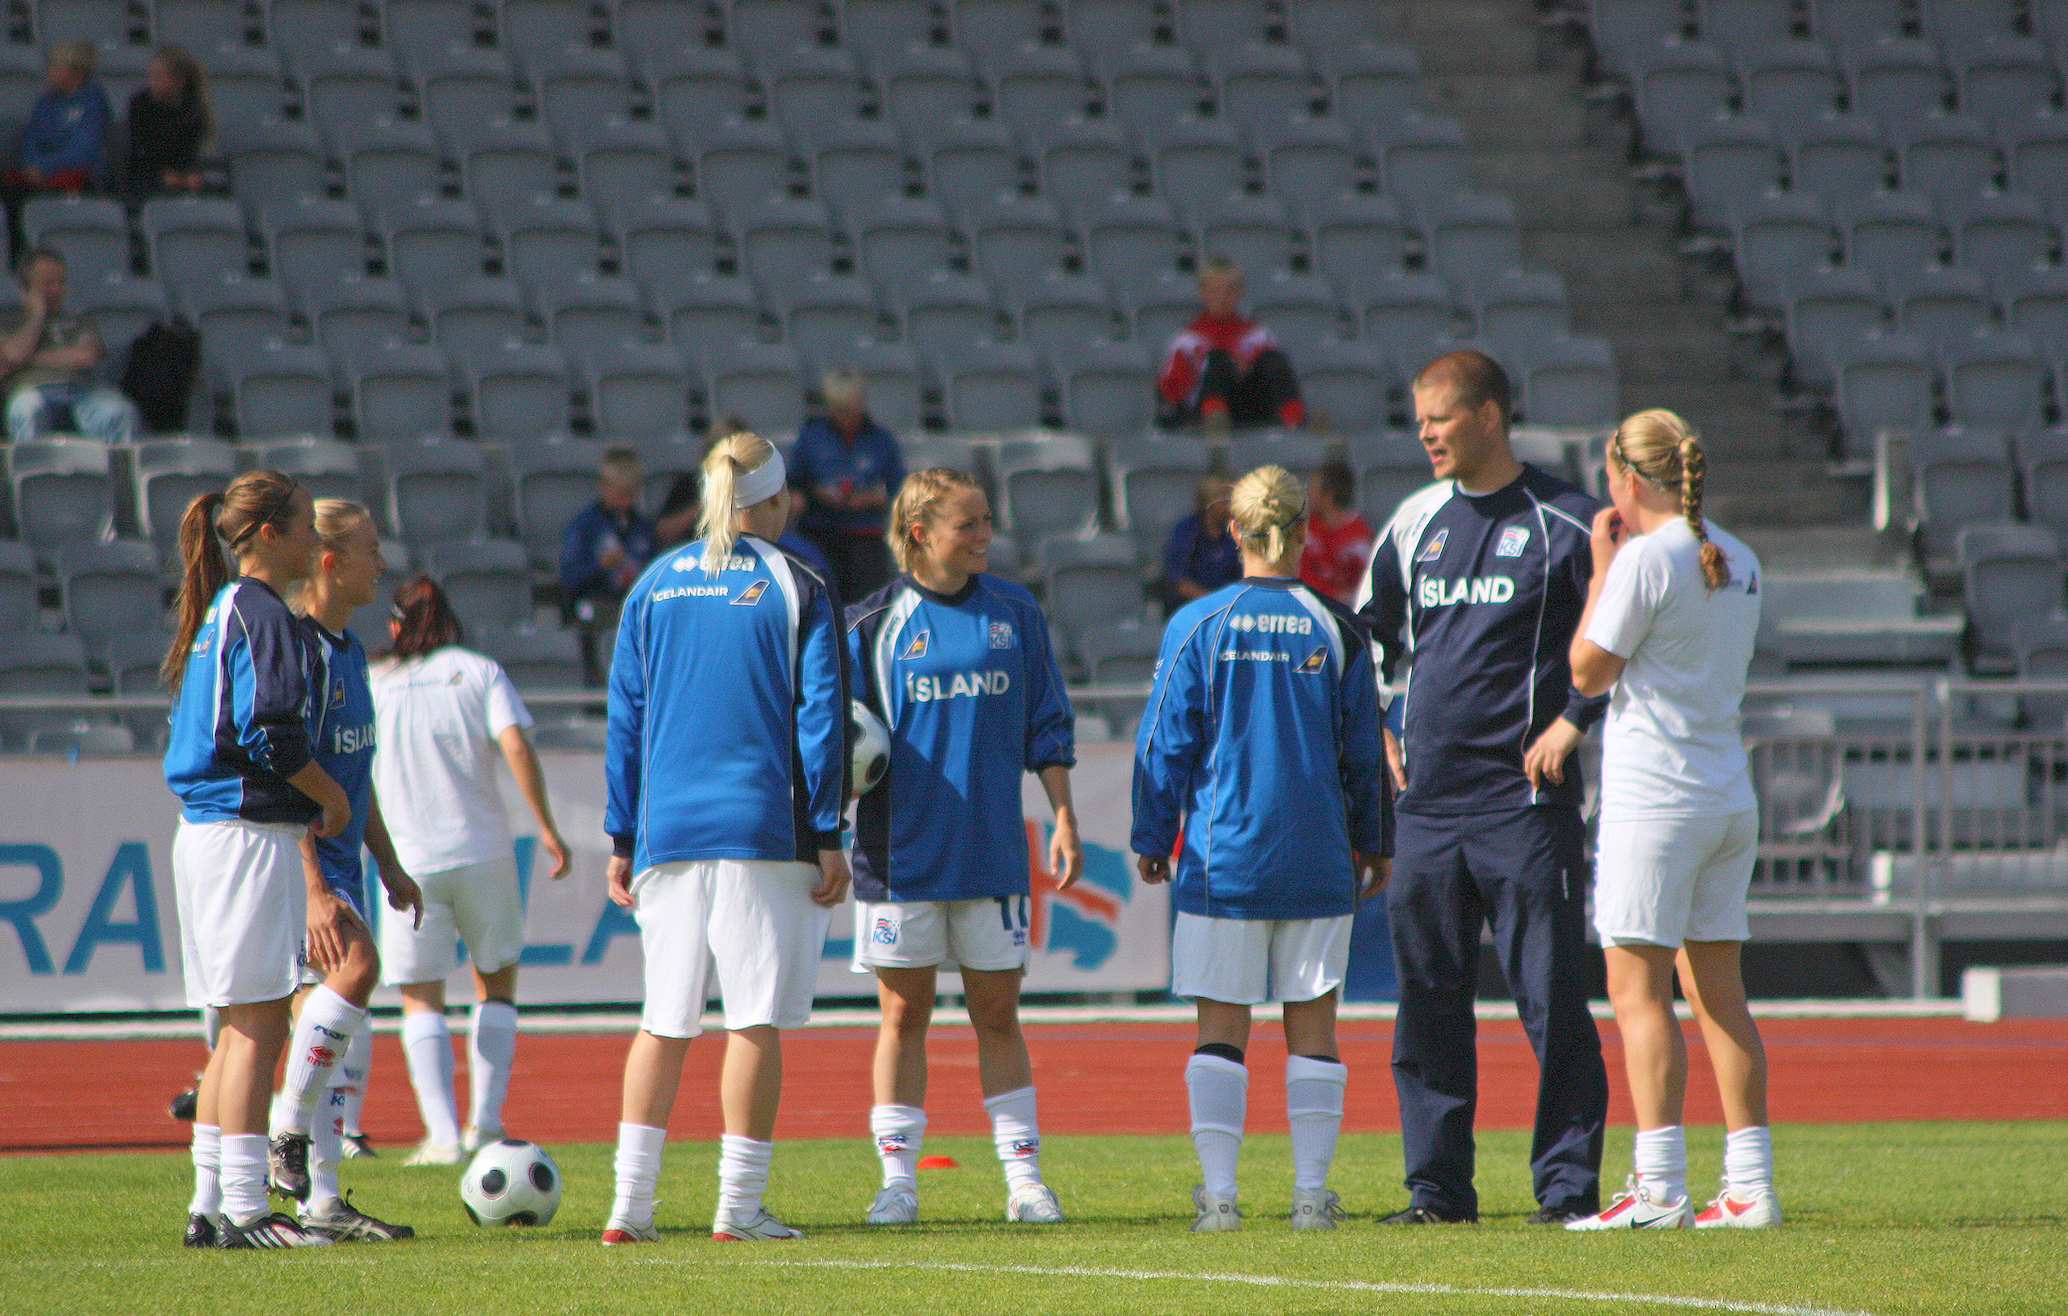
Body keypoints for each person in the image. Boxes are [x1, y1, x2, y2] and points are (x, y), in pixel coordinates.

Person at [1357, 348, 1611, 1226]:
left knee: (1552, 1002)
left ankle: (1569, 1191)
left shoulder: (1570, 521)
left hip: (1524, 806)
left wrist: (1575, 717)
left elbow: (1619, 635)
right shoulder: (1413, 521)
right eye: (1419, 418)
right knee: (1426, 1006)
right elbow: (1370, 640)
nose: (1424, 432)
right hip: (1425, 807)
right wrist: (1382, 725)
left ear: (1491, 416)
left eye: (1441, 416)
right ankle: (1436, 1192)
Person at [601, 430, 851, 1245]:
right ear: (773, 500)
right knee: (753, 1020)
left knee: (663, 1020)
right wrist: (827, 830)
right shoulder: (800, 579)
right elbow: (822, 720)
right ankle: (737, 1209)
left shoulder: (654, 582)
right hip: (761, 827)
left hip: (667, 829)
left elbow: (625, 720)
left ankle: (628, 1211)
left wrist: (620, 834)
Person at [1133, 464, 1391, 1232]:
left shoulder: (1198, 624)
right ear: (1304, 531)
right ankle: (1311, 1197)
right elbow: (1364, 754)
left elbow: (1162, 744)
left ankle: (1220, 1200)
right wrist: (1373, 840)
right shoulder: (1338, 626)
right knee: (1314, 1027)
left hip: (1227, 861)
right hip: (1317, 858)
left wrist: (1152, 833)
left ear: (1235, 532)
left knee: (1221, 1027)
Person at [845, 466, 1081, 1228]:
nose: (985, 535)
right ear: (920, 533)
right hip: (898, 856)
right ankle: (897, 1184)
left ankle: (1024, 1180)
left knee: (998, 1014)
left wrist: (1065, 816)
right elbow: (833, 739)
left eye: (985, 522)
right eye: (968, 524)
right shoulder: (869, 625)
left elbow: (1048, 722)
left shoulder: (1014, 610)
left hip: (990, 855)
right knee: (902, 1018)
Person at [1563, 411, 1776, 1231]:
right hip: (1727, 793)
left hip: (1657, 799)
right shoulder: (1741, 556)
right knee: (1719, 992)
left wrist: (1598, 570)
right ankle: (1750, 1186)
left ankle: (1658, 1189)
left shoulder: (1646, 558)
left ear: (1626, 477)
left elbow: (1588, 668)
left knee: (1637, 988)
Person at [162, 470, 349, 1249]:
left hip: (210, 833)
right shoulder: (262, 611)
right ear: (269, 533)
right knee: (254, 1028)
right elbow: (269, 727)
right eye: (307, 524)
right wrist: (327, 798)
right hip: (244, 832)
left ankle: (211, 1205)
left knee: (234, 1028)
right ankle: (246, 1210)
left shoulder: (222, 609)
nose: (318, 539)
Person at [368, 574, 572, 1165]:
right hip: (484, 851)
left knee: (420, 996)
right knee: (497, 982)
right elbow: (515, 745)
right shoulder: (478, 670)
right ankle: (484, 1124)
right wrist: (548, 826)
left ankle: (440, 1136)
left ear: (395, 625)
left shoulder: (376, 681)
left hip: (408, 859)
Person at [272, 498, 422, 1241]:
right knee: (355, 972)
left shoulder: (352, 652)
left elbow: (352, 778)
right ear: (329, 563)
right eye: (369, 550)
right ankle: (283, 1134)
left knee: (330, 1041)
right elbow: (286, 775)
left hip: (346, 870)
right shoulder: (297, 653)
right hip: (304, 876)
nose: (382, 564)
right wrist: (312, 887)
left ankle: (322, 1201)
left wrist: (389, 865)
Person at [0, 248, 142, 444]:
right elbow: (14, 354)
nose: (57, 290)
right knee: (26, 409)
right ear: (25, 289)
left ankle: (117, 474)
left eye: (61, 282)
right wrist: (37, 316)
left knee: (119, 411)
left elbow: (86, 357)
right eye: (48, 283)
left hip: (80, 393)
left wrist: (29, 360)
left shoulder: (79, 321)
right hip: (32, 391)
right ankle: (35, 472)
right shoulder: (8, 322)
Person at [789, 365, 905, 603]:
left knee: (866, 603)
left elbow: (900, 491)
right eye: (839, 411)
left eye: (850, 411)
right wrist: (816, 494)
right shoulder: (811, 437)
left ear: (862, 404)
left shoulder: (882, 440)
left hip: (866, 534)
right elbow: (794, 484)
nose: (845, 419)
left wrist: (875, 499)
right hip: (820, 532)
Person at [1155, 257, 1305, 433]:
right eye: (1215, 290)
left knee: (1273, 358)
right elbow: (1171, 393)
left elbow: (1275, 375)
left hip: (1251, 406)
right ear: (1202, 291)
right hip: (1202, 413)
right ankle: (1216, 420)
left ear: (1240, 292)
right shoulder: (1186, 340)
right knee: (1217, 358)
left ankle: (1295, 423)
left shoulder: (1257, 334)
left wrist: (1244, 370)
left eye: (1230, 290)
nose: (1222, 297)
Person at [559, 445, 658, 683]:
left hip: (633, 606)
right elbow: (568, 578)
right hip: (596, 605)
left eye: (631, 494)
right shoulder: (585, 526)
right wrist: (600, 565)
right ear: (604, 487)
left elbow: (656, 570)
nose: (625, 502)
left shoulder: (642, 527)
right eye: (619, 493)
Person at [3, 40, 109, 251]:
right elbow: (31, 139)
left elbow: (83, 151)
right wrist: (33, 166)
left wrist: (44, 167)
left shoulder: (94, 104)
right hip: (38, 173)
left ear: (76, 74)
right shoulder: (44, 103)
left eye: (56, 67)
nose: (49, 72)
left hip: (77, 176)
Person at [124, 45, 212, 198]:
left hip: (177, 175)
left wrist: (188, 175)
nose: (152, 82)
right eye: (151, 76)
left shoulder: (193, 111)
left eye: (159, 77)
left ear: (179, 81)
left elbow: (189, 154)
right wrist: (161, 174)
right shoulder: (139, 103)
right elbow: (138, 151)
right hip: (143, 174)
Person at [1158, 474, 1240, 614]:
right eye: (1224, 500)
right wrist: (1215, 602)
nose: (1229, 506)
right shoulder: (1186, 532)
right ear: (1208, 502)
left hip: (1230, 610)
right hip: (1191, 610)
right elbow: (1179, 582)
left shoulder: (1234, 533)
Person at [1299, 457, 1375, 605]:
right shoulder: (1307, 529)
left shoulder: (1358, 533)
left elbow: (1364, 581)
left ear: (1329, 496)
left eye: (1312, 488)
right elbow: (1303, 577)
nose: (1307, 492)